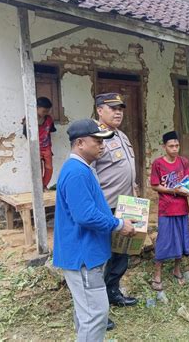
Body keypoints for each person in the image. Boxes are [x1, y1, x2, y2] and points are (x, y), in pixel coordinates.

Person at [53, 119, 135, 341]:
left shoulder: (82, 169)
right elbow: (85, 215)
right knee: (95, 315)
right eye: (97, 141)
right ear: (80, 143)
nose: (103, 146)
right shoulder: (76, 172)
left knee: (87, 313)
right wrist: (118, 224)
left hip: (86, 254)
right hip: (83, 257)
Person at [93, 93, 138, 307]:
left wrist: (134, 193)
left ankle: (113, 293)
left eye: (120, 108)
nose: (118, 112)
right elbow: (89, 174)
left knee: (121, 252)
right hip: (106, 206)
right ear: (100, 110)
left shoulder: (121, 135)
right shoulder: (94, 136)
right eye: (113, 108)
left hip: (126, 204)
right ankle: (99, 303)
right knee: (103, 255)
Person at [150, 131, 189, 290]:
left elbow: (188, 183)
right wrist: (174, 191)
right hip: (166, 209)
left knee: (181, 239)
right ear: (164, 147)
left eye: (177, 145)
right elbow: (154, 185)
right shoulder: (158, 164)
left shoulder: (184, 162)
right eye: (171, 146)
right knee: (164, 240)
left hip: (182, 208)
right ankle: (157, 274)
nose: (174, 149)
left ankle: (177, 269)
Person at [22, 97, 56, 190]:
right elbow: (25, 133)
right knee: (38, 168)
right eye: (44, 111)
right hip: (36, 147)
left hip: (47, 147)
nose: (46, 113)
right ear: (36, 108)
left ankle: (44, 185)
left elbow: (51, 130)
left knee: (49, 167)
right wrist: (33, 146)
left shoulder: (49, 119)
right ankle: (39, 187)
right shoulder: (29, 118)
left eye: (48, 111)